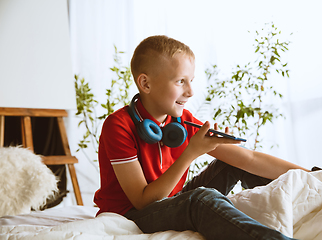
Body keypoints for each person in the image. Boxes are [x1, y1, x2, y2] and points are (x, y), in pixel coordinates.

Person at [93, 35, 310, 240]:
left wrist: (312, 175)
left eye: (191, 81)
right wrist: (191, 153)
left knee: (230, 165)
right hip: (131, 214)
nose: (190, 92)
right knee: (200, 199)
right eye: (180, 81)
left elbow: (249, 159)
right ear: (145, 84)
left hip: (170, 202)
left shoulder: (181, 120)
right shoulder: (118, 126)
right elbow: (143, 201)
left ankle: (310, 197)